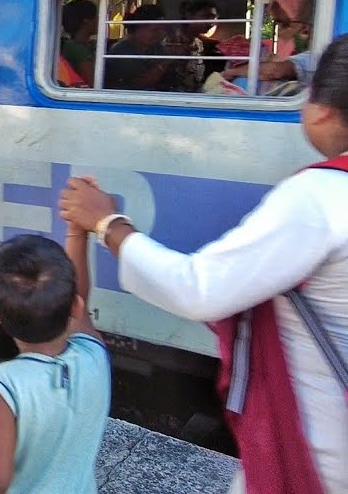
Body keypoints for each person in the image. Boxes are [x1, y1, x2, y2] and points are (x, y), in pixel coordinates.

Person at [59, 34, 348, 494]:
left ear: (323, 109)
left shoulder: (321, 199)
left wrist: (106, 223)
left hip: (319, 450)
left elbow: (198, 289)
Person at [0, 229, 110, 494]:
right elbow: (81, 301)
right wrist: (77, 235)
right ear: (76, 308)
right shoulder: (94, 354)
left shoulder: (3, 385)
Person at [104, 4, 173, 91]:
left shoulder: (156, 48)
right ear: (138, 28)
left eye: (162, 30)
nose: (160, 34)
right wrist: (165, 62)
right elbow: (137, 84)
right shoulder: (121, 51)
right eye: (155, 30)